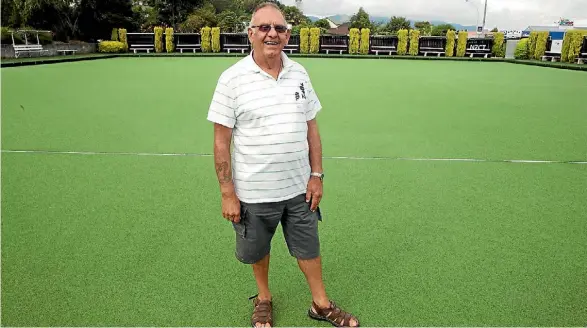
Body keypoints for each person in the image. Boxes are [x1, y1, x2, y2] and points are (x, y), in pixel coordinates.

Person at [206, 3, 360, 327]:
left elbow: (311, 129)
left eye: (279, 28)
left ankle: (320, 304)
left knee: (309, 247)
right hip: (254, 191)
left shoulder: (299, 73)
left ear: (287, 35)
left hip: (299, 188)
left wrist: (316, 175)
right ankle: (264, 299)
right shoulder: (232, 80)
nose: (272, 33)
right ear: (251, 33)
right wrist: (226, 191)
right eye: (264, 28)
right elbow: (222, 141)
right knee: (258, 250)